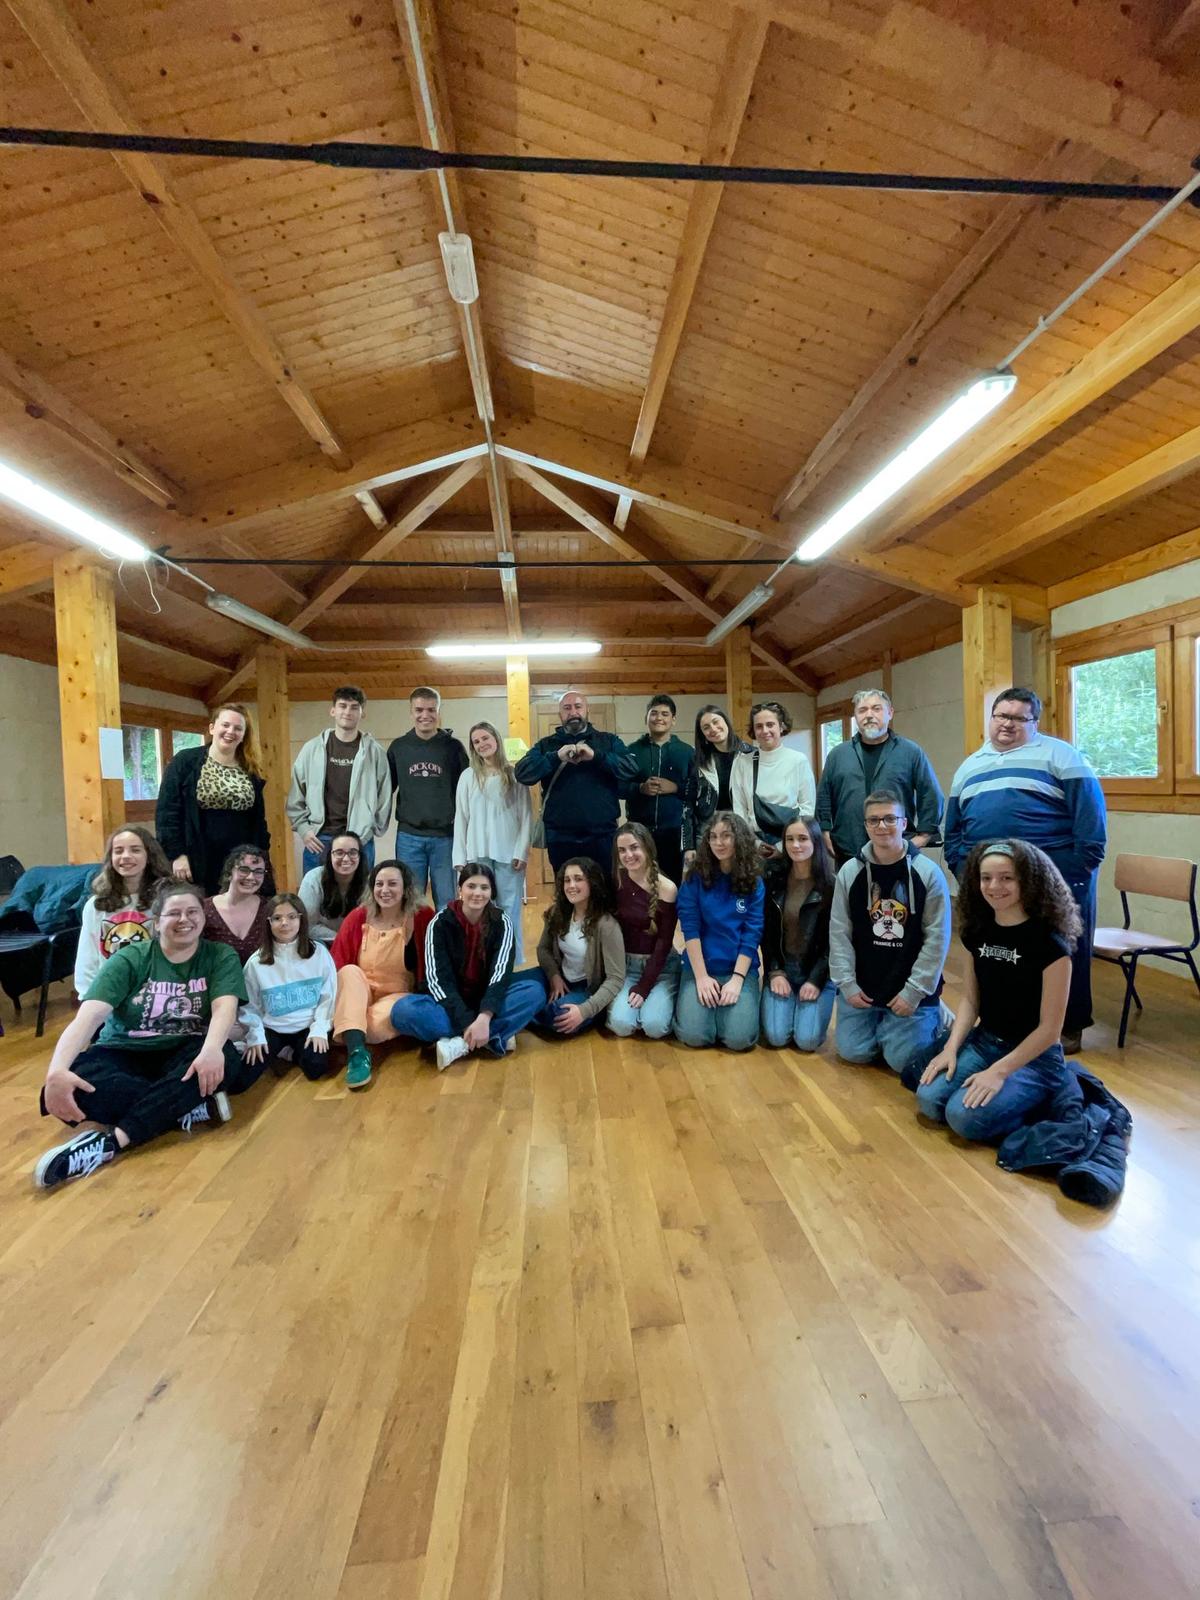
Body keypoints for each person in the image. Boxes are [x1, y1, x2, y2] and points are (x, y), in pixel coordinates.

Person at [33, 880, 260, 1190]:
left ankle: (111, 1143)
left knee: (225, 1059)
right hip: (123, 1050)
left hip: (184, 1049)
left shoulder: (220, 955)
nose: (184, 919)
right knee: (75, 1083)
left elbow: (225, 1008)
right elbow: (89, 1016)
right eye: (174, 913)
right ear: (156, 921)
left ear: (203, 917)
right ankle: (185, 1106)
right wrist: (56, 1071)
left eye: (193, 912)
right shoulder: (130, 958)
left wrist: (211, 1050)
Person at [943, 686, 1106, 1054]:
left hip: (1052, 879)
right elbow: (953, 828)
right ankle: (1000, 1022)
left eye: (1019, 718)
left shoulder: (1062, 756)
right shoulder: (970, 766)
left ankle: (1067, 1026)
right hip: (991, 882)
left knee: (1060, 951)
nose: (1008, 723)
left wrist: (1073, 872)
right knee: (997, 953)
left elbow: (1090, 823)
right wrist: (962, 867)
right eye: (1002, 715)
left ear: (1035, 723)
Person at [914, 840, 1081, 1142]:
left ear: (1028, 881)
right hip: (985, 1043)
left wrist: (1000, 1072)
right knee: (929, 1100)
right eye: (986, 878)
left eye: (1006, 878)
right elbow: (970, 1000)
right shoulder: (977, 931)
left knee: (962, 1118)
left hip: (1035, 1058)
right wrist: (950, 1048)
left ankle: (1043, 1096)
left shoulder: (1051, 945)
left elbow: (1050, 1031)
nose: (994, 886)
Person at [829, 789, 952, 1073]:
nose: (881, 826)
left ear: (904, 823)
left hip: (908, 986)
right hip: (865, 988)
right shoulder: (850, 871)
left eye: (889, 819)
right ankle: (890, 1028)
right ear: (865, 825)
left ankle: (934, 1017)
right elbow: (839, 932)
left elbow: (938, 938)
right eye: (873, 820)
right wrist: (847, 984)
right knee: (853, 1052)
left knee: (902, 1062)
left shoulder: (928, 873)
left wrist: (915, 991)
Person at [391, 862, 539, 1069]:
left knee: (534, 991)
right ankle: (492, 1036)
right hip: (450, 1002)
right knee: (403, 1011)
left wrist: (485, 1016)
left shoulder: (501, 922)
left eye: (484, 887)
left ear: (492, 892)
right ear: (460, 889)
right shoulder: (440, 923)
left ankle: (460, 1045)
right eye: (471, 886)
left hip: (486, 999)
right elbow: (437, 980)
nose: (477, 893)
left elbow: (501, 973)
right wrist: (469, 1022)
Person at [816, 688, 943, 867]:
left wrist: (924, 835)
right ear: (855, 716)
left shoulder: (910, 752)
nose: (869, 715)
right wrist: (824, 831)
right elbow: (824, 795)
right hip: (848, 851)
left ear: (890, 713)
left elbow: (931, 794)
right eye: (862, 710)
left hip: (898, 852)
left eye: (876, 709)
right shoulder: (838, 755)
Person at [515, 691, 638, 874]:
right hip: (560, 837)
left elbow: (631, 768)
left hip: (602, 835)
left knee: (604, 888)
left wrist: (596, 756)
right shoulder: (546, 745)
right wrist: (555, 757)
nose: (573, 712)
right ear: (560, 714)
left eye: (578, 706)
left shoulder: (608, 741)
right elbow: (522, 774)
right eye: (567, 708)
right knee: (566, 888)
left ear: (587, 710)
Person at [156, 702, 272, 895]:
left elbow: (259, 821)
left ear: (244, 734)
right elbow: (167, 813)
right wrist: (177, 855)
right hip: (198, 858)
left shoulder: (250, 769)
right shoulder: (185, 762)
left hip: (241, 858)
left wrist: (261, 858)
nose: (231, 731)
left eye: (238, 728)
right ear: (212, 728)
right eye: (225, 725)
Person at [330, 858, 425, 1089]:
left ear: (406, 888)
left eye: (392, 884)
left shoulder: (421, 916)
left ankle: (350, 1031)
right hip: (359, 991)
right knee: (349, 972)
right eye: (379, 884)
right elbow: (336, 961)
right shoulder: (358, 916)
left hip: (397, 996)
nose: (385, 890)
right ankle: (358, 1055)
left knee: (366, 1026)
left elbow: (431, 962)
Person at [674, 812, 765, 1051]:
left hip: (738, 969)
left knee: (738, 1040)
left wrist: (737, 980)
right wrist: (702, 978)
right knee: (695, 1036)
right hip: (701, 966)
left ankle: (730, 1013)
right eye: (713, 836)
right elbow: (690, 929)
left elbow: (752, 934)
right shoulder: (694, 878)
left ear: (740, 839)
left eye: (726, 836)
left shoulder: (754, 881)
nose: (718, 842)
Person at [286, 685, 393, 875]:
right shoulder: (312, 749)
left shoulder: (375, 753)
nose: (348, 712)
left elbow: (384, 795)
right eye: (342, 706)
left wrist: (368, 831)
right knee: (316, 892)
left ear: (362, 713)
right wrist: (304, 830)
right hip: (319, 839)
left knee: (360, 893)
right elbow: (296, 794)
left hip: (359, 840)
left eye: (354, 707)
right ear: (333, 710)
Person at [453, 722, 532, 961]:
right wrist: (460, 857)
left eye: (485, 738)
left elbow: (526, 816)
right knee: (482, 909)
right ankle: (486, 960)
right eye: (476, 742)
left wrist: (521, 851)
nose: (482, 744)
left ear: (496, 739)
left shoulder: (514, 775)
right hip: (477, 853)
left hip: (509, 854)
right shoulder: (468, 777)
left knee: (509, 908)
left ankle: (512, 959)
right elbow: (461, 818)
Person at [386, 686, 469, 910]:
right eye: (419, 710)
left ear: (438, 711)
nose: (425, 715)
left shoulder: (453, 747)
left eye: (431, 710)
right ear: (411, 712)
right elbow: (386, 789)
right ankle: (413, 936)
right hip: (409, 836)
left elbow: (466, 790)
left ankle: (444, 935)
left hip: (445, 837)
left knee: (447, 901)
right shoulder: (399, 747)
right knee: (411, 901)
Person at [523, 857, 625, 1036]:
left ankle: (522, 1015)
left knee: (560, 1014)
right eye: (567, 880)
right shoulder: (557, 912)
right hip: (561, 977)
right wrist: (554, 976)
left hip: (586, 988)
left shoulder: (607, 925)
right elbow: (543, 949)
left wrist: (585, 1010)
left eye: (578, 879)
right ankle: (526, 1011)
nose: (571, 885)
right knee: (515, 985)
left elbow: (616, 978)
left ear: (592, 883)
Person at [760, 816, 837, 1053]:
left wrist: (815, 980)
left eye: (803, 839)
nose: (795, 845)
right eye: (789, 839)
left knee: (807, 1041)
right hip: (783, 968)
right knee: (776, 1037)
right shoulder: (773, 880)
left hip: (816, 970)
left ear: (815, 842)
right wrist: (775, 972)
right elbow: (766, 934)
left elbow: (834, 942)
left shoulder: (832, 886)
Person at [240, 893, 337, 1080]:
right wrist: (255, 1035)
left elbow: (328, 996)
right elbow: (249, 1005)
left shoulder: (319, 953)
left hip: (306, 1025)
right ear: (268, 923)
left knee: (316, 1068)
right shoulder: (256, 962)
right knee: (244, 1077)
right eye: (277, 918)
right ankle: (281, 1050)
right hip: (272, 1027)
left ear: (302, 919)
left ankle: (288, 1053)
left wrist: (319, 1028)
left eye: (292, 917)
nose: (285, 923)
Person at [74, 825, 172, 998]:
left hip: (158, 992)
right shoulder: (95, 905)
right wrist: (89, 998)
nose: (126, 856)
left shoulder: (168, 899)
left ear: (149, 856)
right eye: (118, 851)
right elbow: (87, 958)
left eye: (135, 850)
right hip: (109, 992)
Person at [606, 823, 680, 1040]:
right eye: (622, 850)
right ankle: (641, 1009)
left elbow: (664, 942)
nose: (628, 855)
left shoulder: (667, 888)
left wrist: (645, 986)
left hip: (661, 966)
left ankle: (670, 1000)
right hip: (628, 966)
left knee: (654, 1027)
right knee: (621, 1025)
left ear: (647, 847)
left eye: (634, 847)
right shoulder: (617, 880)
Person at [622, 694, 695, 884]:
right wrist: (640, 788)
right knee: (641, 883)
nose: (659, 718)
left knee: (673, 883)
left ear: (673, 719)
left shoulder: (687, 752)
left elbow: (697, 791)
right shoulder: (632, 751)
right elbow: (619, 787)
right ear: (646, 718)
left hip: (675, 832)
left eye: (665, 714)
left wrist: (675, 787)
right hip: (639, 831)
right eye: (654, 713)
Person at [683, 704, 755, 867]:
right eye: (706, 727)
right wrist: (688, 845)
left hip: (742, 825)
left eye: (716, 722)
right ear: (702, 734)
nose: (713, 729)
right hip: (707, 828)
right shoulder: (697, 759)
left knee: (742, 873)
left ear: (726, 722)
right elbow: (687, 804)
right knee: (707, 875)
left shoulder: (750, 754)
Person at [744, 701, 816, 855]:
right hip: (752, 841)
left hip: (790, 841)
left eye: (770, 724)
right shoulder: (743, 762)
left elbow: (808, 808)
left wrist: (782, 846)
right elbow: (740, 808)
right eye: (759, 726)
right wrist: (754, 843)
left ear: (781, 726)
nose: (765, 731)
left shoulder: (798, 760)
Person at [202, 846, 271, 966]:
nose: (251, 877)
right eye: (244, 870)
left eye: (258, 872)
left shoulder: (269, 909)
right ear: (229, 873)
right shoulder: (204, 909)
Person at [297, 831, 369, 944]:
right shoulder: (313, 879)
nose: (346, 859)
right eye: (339, 853)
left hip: (358, 942)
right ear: (329, 855)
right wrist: (341, 940)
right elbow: (307, 926)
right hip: (322, 942)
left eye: (353, 852)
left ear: (360, 856)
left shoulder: (370, 882)